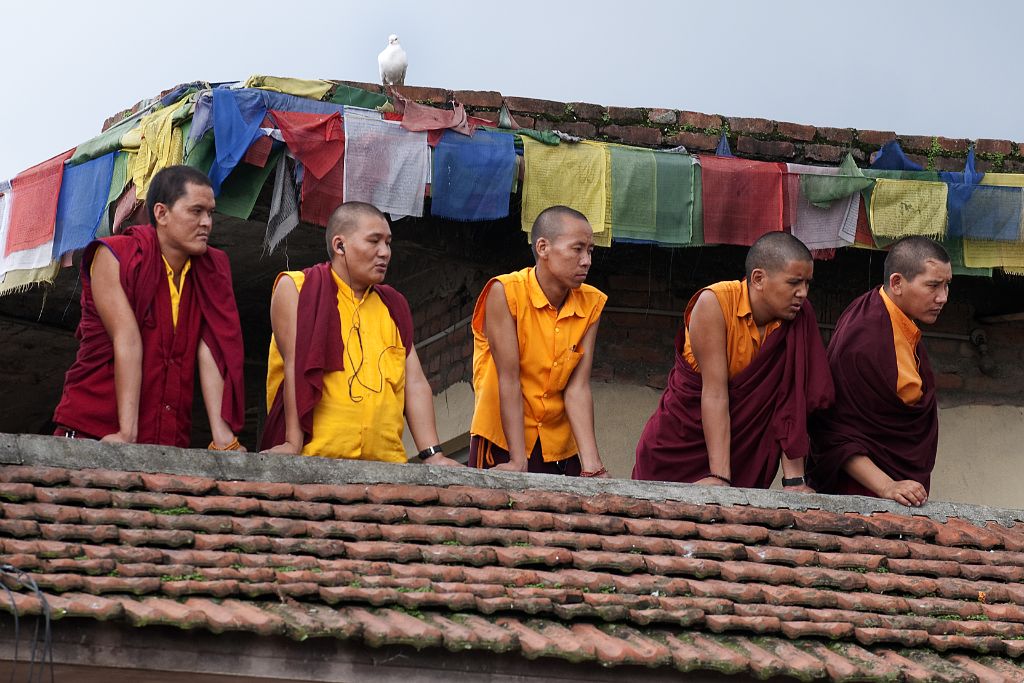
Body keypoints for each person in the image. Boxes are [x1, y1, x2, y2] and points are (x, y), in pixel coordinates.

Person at [53, 165, 245, 450]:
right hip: (95, 433)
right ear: (161, 213)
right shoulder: (116, 255)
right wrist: (127, 433)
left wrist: (224, 439)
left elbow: (211, 349)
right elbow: (126, 339)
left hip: (163, 438)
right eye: (196, 211)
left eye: (210, 213)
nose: (207, 222)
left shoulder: (210, 269)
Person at [260, 201, 460, 466]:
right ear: (339, 245)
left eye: (388, 243)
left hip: (385, 463)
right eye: (374, 241)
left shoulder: (392, 305)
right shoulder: (298, 288)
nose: (385, 252)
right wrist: (292, 444)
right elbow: (295, 366)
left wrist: (433, 456)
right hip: (316, 458)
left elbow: (414, 383)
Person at [633, 232, 833, 489]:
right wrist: (720, 476)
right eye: (794, 282)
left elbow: (791, 403)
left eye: (807, 283)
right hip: (680, 443)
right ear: (759, 278)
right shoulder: (715, 303)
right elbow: (715, 393)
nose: (802, 293)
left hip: (742, 455)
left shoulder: (799, 318)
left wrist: (794, 481)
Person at [808, 237, 951, 507]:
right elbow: (834, 431)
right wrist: (887, 485)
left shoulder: (896, 320)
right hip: (862, 494)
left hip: (901, 489)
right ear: (897, 283)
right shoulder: (865, 336)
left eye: (946, 285)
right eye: (933, 285)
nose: (943, 297)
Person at [469, 206, 609, 477]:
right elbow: (508, 378)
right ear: (543, 248)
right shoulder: (506, 292)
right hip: (503, 441)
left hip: (556, 447)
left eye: (590, 250)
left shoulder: (591, 303)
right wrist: (517, 459)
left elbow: (577, 388)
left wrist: (593, 466)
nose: (587, 261)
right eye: (577, 249)